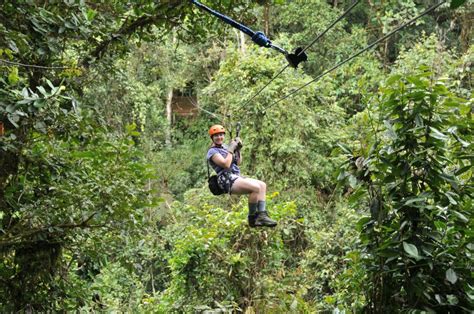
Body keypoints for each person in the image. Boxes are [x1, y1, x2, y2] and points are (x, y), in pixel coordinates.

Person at [206, 124, 277, 228]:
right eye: (216, 136)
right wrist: (231, 150)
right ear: (212, 138)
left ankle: (262, 214)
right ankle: (252, 218)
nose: (219, 137)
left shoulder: (225, 147)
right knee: (255, 188)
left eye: (221, 135)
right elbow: (225, 164)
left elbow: (238, 163)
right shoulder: (212, 152)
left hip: (235, 175)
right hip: (225, 179)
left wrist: (238, 149)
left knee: (262, 185)